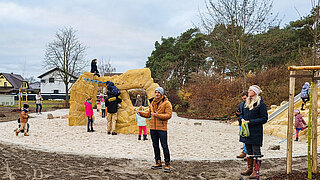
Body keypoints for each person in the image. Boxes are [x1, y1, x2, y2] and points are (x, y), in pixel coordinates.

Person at [138, 87, 172, 173]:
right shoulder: (152, 103)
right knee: (155, 145)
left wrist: (157, 115)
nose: (157, 94)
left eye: (158, 92)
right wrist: (141, 113)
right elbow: (149, 114)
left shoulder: (167, 103)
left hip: (162, 128)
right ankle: (158, 162)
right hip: (153, 128)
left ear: (162, 94)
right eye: (156, 92)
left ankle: (167, 163)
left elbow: (168, 115)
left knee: (164, 146)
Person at [239, 85, 268, 178]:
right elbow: (241, 114)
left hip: (256, 132)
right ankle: (250, 169)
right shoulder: (245, 103)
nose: (248, 91)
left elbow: (264, 118)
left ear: (255, 92)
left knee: (256, 152)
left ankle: (256, 171)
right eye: (249, 90)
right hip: (246, 132)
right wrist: (242, 120)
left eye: (251, 90)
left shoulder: (260, 104)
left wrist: (250, 122)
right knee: (248, 150)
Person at [236, 91, 248, 159]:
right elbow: (238, 112)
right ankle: (244, 152)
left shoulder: (251, 104)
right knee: (243, 138)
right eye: (243, 99)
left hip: (248, 123)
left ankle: (247, 153)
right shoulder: (241, 104)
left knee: (247, 138)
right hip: (241, 123)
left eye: (245, 98)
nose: (244, 100)